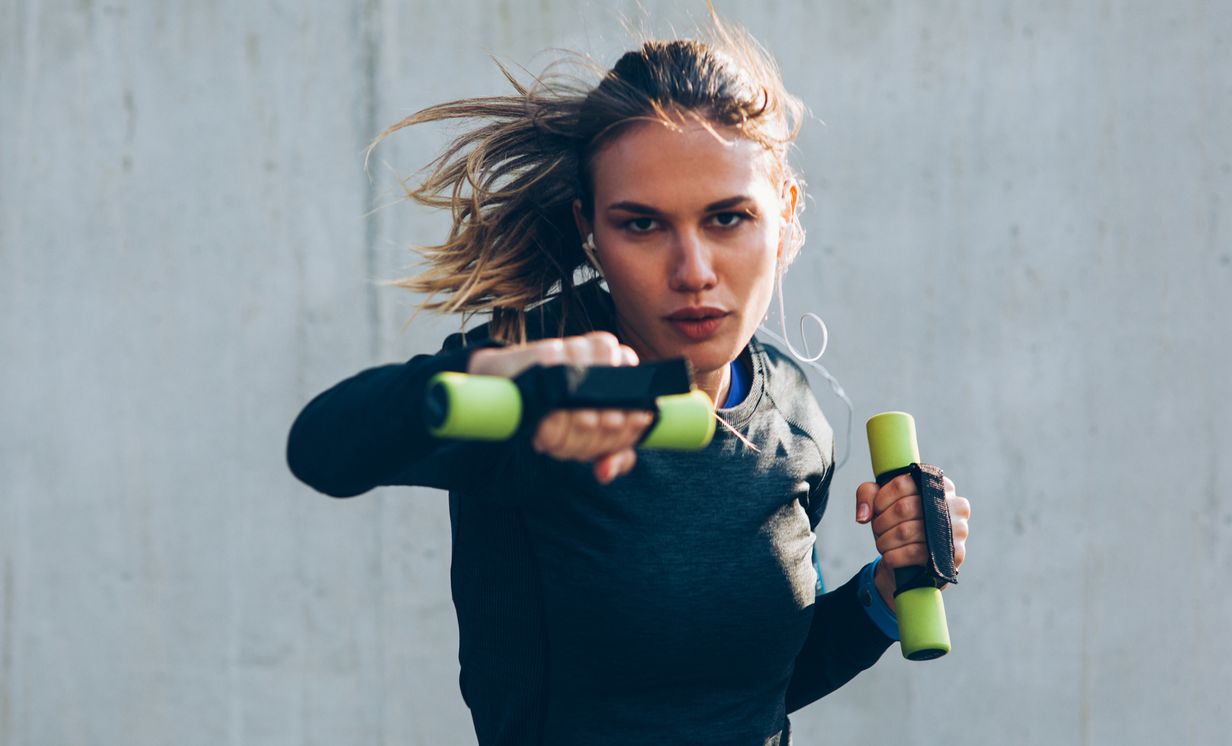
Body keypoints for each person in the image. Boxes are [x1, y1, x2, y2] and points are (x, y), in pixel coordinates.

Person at [287, 16, 970, 746]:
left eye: (728, 218)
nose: (694, 271)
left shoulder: (797, 417)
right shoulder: (540, 385)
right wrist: (494, 377)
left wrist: (884, 595)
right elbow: (322, 447)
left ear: (784, 215)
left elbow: (750, 688)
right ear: (590, 230)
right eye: (642, 225)